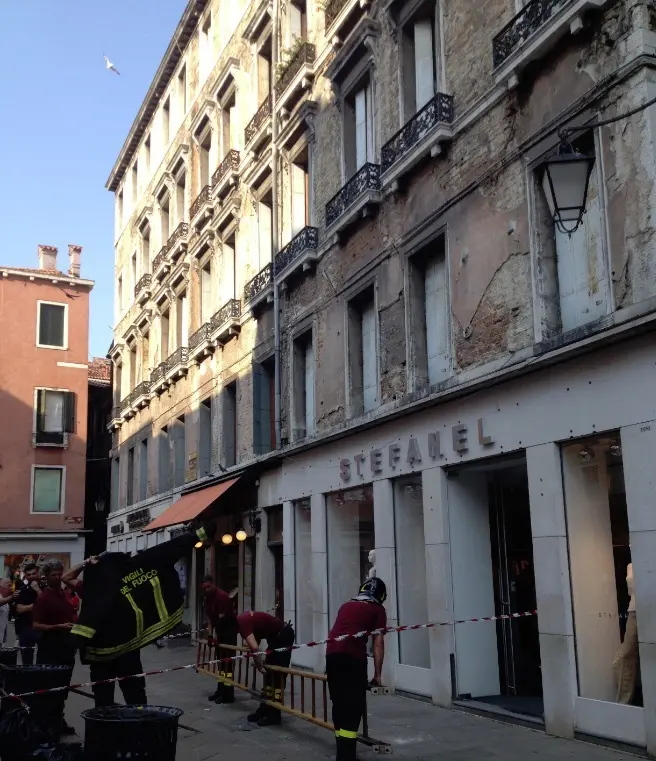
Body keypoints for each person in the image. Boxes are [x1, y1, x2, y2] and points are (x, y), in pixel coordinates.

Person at [325, 578, 387, 761]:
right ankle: (347, 757)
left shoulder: (346, 605)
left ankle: (342, 753)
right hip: (353, 659)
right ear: (381, 596)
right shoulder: (377, 610)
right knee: (353, 707)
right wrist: (377, 675)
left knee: (339, 704)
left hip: (332, 656)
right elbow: (378, 643)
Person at [31, 559, 79, 736]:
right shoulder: (44, 597)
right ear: (46, 576)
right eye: (54, 575)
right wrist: (57, 627)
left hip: (66, 647)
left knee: (63, 688)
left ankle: (58, 720)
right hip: (50, 649)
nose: (58, 577)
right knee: (51, 688)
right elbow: (36, 625)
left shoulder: (64, 593)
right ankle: (49, 724)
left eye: (60, 573)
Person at [237, 610, 295, 726]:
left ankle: (274, 715)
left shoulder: (243, 623)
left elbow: (255, 648)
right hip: (276, 637)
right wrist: (259, 663)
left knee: (277, 674)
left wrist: (259, 665)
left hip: (283, 635)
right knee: (269, 674)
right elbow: (255, 644)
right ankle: (264, 709)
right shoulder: (243, 621)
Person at [201, 575, 238, 704]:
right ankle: (220, 690)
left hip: (229, 632)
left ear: (213, 584)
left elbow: (222, 618)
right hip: (219, 631)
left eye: (208, 587)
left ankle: (228, 694)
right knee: (220, 663)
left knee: (227, 664)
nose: (206, 590)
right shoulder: (207, 598)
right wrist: (210, 636)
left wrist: (217, 637)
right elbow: (210, 619)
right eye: (204, 588)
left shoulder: (222, 597)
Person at [13, 563, 41, 664]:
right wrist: (37, 605)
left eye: (33, 574)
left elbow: (48, 604)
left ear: (37, 573)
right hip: (25, 627)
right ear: (25, 575)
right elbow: (20, 609)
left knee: (44, 657)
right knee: (27, 658)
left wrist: (38, 590)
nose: (31, 576)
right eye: (29, 575)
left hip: (41, 626)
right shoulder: (21, 588)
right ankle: (28, 678)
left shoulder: (44, 587)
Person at [0, 578, 19, 646]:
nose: (11, 588)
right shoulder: (5, 599)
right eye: (9, 585)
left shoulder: (6, 601)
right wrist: (11, 597)